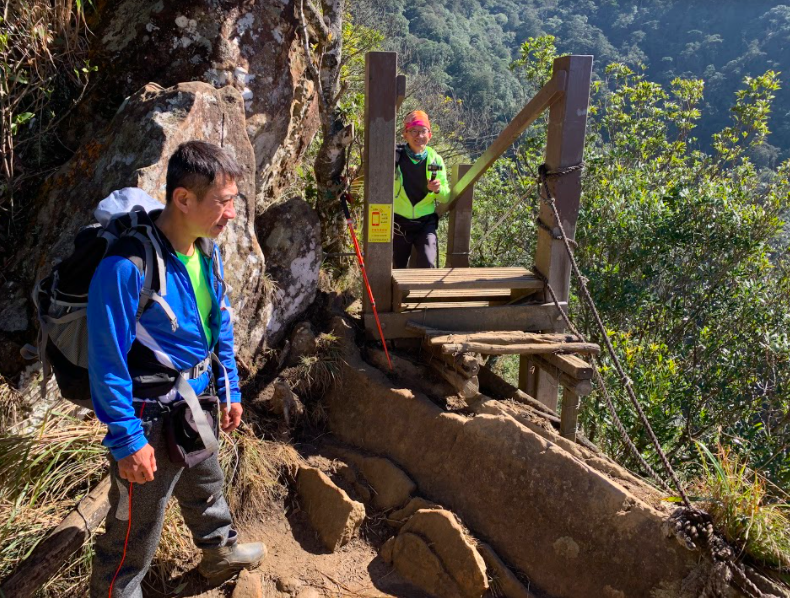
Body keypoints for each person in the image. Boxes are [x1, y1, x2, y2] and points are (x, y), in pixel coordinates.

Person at [88, 141, 265, 597]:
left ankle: (218, 551)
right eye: (222, 202)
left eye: (233, 201)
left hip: (197, 402)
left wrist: (229, 389)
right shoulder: (126, 267)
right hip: (146, 418)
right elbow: (107, 360)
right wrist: (127, 440)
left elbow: (218, 322)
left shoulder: (207, 251)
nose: (230, 214)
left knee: (207, 483)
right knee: (133, 530)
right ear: (183, 198)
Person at [393, 110, 450, 268]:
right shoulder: (395, 156)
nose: (419, 136)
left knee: (427, 264)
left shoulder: (436, 159)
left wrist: (438, 190)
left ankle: (423, 294)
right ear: (405, 134)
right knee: (397, 268)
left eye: (423, 131)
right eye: (413, 131)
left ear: (430, 135)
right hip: (398, 223)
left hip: (425, 223)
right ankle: (399, 294)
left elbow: (446, 197)